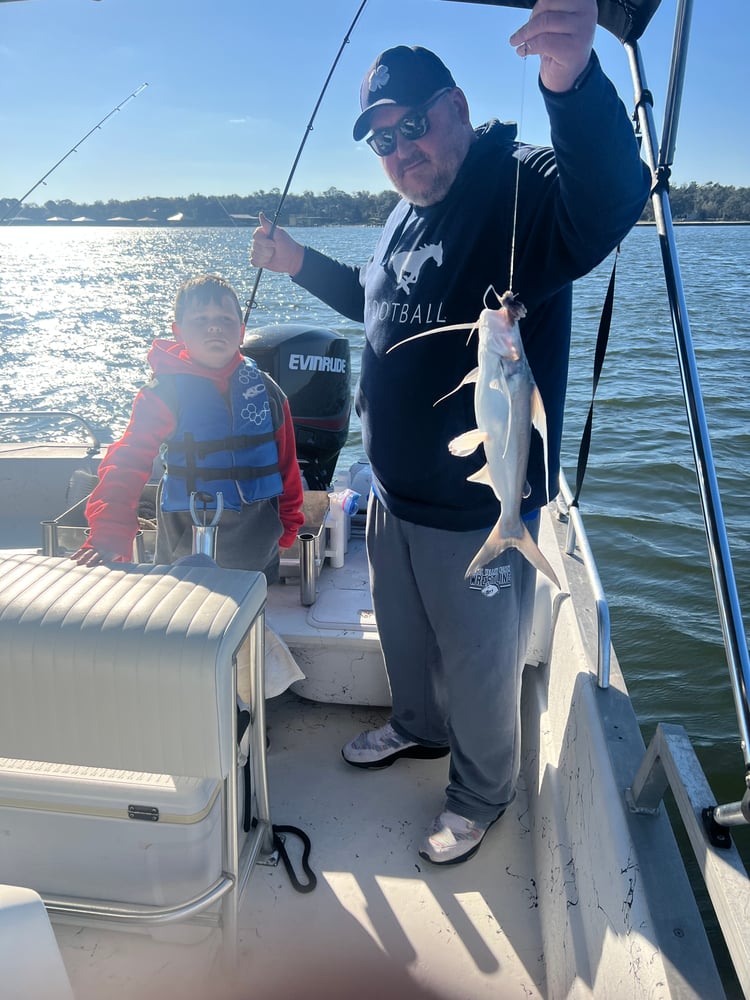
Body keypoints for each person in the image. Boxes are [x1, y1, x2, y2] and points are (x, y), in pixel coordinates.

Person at [250, 0, 651, 865]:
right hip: (391, 492)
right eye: (382, 142)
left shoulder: (519, 186)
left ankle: (481, 791)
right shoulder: (400, 214)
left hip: (478, 507)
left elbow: (611, 198)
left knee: (478, 663)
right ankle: (415, 727)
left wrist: (572, 79)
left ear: (458, 109)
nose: (401, 152)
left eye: (415, 126)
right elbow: (377, 302)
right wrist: (297, 264)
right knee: (402, 636)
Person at [71, 273, 304, 580]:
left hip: (258, 545)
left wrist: (288, 527)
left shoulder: (268, 390)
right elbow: (127, 459)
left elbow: (286, 465)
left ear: (242, 329)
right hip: (185, 543)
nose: (214, 326)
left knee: (252, 618)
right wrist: (111, 529)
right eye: (200, 319)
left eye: (224, 318)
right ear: (178, 332)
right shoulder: (163, 393)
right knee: (189, 618)